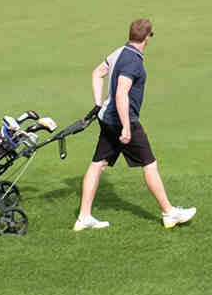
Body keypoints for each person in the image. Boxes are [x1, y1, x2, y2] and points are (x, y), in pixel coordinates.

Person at [73, 18, 196, 231]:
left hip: (107, 119)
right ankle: (169, 213)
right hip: (123, 121)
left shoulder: (120, 52)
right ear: (147, 37)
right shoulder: (134, 62)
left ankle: (84, 217)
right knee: (149, 164)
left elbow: (97, 73)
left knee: (98, 165)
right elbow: (122, 92)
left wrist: (97, 102)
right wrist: (127, 128)